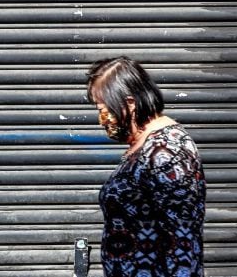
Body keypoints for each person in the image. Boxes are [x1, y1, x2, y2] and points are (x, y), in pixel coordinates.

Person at [86, 56, 206, 277]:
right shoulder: (144, 145)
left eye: (103, 108)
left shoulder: (168, 150)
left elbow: (182, 239)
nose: (101, 118)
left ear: (130, 103)